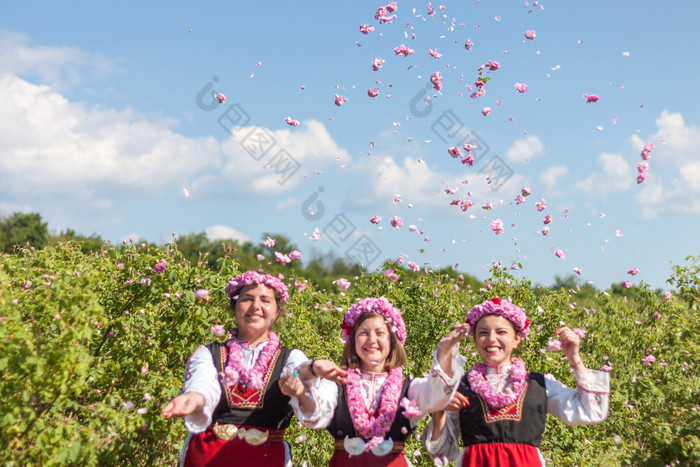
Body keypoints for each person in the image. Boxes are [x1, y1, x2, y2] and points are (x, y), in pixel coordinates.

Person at [280, 296, 469, 467]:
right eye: (364, 333)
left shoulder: (409, 388)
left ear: (392, 341)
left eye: (380, 333)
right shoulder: (338, 384)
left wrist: (444, 352)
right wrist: (299, 393)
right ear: (353, 340)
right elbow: (314, 414)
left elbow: (435, 393)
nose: (372, 340)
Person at [423, 297, 610, 467]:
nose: (491, 339)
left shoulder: (540, 384)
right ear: (474, 339)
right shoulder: (462, 386)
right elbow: (441, 453)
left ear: (517, 339)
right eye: (483, 332)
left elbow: (589, 411)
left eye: (501, 332)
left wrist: (575, 359)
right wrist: (440, 407)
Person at [161, 270, 321, 467]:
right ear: (234, 307)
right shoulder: (208, 353)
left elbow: (304, 380)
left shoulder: (291, 358)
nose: (256, 306)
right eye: (247, 299)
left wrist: (301, 387)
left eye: (265, 300)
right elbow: (203, 384)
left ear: (277, 311)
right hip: (208, 457)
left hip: (265, 459)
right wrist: (193, 399)